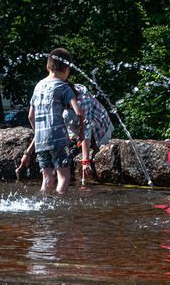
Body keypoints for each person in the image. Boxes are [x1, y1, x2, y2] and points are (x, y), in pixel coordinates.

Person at [17, 81, 112, 184]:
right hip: (78, 127)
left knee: (67, 115)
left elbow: (86, 129)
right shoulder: (59, 100)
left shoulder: (82, 100)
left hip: (100, 129)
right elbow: (42, 131)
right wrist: (28, 153)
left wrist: (85, 161)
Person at [25, 48, 83, 194]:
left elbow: (30, 116)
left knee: (47, 178)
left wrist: (38, 132)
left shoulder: (38, 86)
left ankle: (44, 204)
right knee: (63, 177)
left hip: (40, 141)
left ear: (48, 67)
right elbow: (79, 112)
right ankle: (58, 207)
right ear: (67, 69)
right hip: (58, 139)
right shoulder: (64, 87)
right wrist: (80, 133)